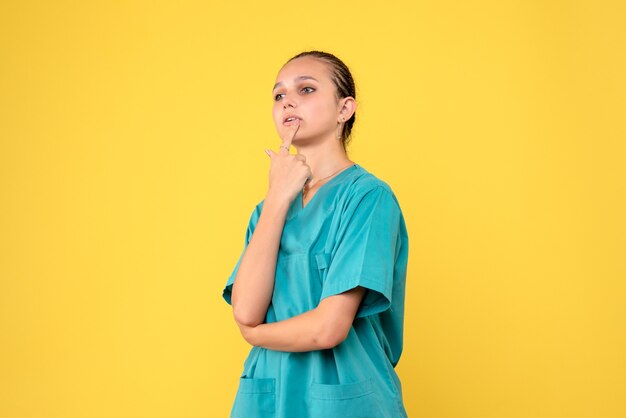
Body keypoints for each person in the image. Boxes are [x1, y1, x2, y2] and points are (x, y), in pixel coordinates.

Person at [222, 50, 409, 418]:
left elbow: (328, 328)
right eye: (279, 95)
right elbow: (245, 309)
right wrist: (277, 198)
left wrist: (256, 335)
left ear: (345, 109)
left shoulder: (367, 198)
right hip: (269, 396)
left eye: (306, 89)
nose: (288, 100)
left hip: (345, 396)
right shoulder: (266, 211)